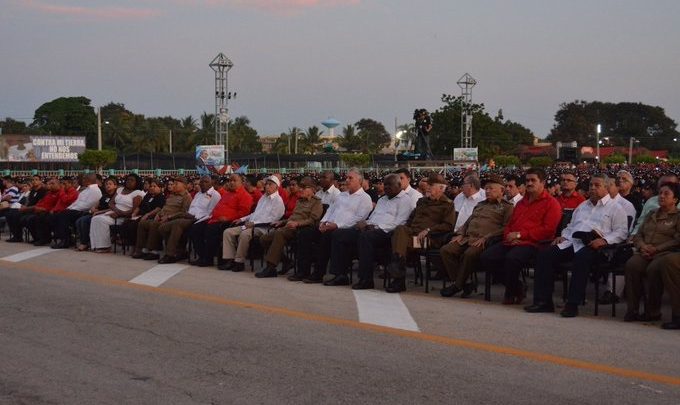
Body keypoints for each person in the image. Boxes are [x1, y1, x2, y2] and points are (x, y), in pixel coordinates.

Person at [525, 174, 628, 317]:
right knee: (545, 255)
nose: (592, 188)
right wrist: (563, 236)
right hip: (573, 242)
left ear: (606, 187)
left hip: (597, 247)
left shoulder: (615, 208)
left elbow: (621, 232)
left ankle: (572, 304)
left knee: (581, 259)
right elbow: (570, 226)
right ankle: (543, 302)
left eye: (597, 185)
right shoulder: (582, 206)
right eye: (591, 185)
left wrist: (605, 240)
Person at [480, 168, 562, 305]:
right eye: (527, 180)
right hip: (512, 241)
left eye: (533, 180)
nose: (529, 183)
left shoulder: (551, 203)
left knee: (512, 259)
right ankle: (517, 287)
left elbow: (548, 230)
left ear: (543, 182)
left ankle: (511, 293)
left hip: (534, 243)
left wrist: (520, 235)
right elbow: (510, 224)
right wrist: (509, 236)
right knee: (486, 257)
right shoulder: (521, 203)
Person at [440, 174, 514, 297]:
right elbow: (469, 221)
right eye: (486, 189)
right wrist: (460, 233)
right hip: (468, 237)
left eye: (491, 188)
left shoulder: (507, 207)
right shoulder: (481, 204)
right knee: (446, 250)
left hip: (484, 240)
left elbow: (506, 228)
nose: (488, 191)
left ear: (501, 190)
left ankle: (457, 285)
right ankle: (465, 283)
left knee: (469, 254)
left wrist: (487, 237)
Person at [297, 169, 373, 285]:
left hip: (348, 230)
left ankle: (336, 274)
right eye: (347, 178)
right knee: (305, 233)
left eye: (350, 178)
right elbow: (330, 210)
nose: (347, 180)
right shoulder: (341, 195)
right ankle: (303, 270)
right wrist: (323, 222)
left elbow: (359, 219)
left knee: (330, 235)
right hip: (330, 226)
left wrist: (337, 225)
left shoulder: (365, 198)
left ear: (359, 180)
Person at [386, 174, 457, 293]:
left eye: (431, 185)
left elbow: (448, 225)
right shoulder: (422, 201)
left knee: (399, 242)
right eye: (428, 185)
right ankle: (398, 274)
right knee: (400, 230)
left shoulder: (448, 204)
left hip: (428, 240)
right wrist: (406, 229)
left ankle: (398, 279)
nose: (427, 187)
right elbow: (410, 219)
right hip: (412, 235)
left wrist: (429, 230)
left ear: (441, 188)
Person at [623, 183, 680, 322]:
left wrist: (657, 249)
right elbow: (638, 234)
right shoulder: (651, 214)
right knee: (632, 265)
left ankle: (653, 311)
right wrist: (643, 246)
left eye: (666, 194)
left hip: (665, 253)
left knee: (654, 268)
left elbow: (677, 240)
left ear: (675, 200)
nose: (661, 196)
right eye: (660, 193)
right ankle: (633, 309)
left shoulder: (677, 217)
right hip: (646, 251)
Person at [349, 174, 414, 289]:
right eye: (385, 185)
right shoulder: (382, 199)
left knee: (365, 237)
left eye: (390, 185)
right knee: (343, 234)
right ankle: (339, 273)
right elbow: (373, 217)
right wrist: (366, 223)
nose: (386, 187)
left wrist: (376, 227)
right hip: (374, 230)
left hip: (389, 232)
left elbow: (400, 223)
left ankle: (366, 279)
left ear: (399, 185)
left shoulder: (405, 200)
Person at [256, 177, 323, 279]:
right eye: (301, 187)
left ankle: (271, 268)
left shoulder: (316, 202)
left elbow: (313, 220)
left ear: (313, 189)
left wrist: (297, 223)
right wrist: (282, 221)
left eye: (304, 187)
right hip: (289, 226)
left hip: (302, 229)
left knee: (279, 234)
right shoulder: (300, 201)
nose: (301, 189)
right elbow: (293, 217)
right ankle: (286, 261)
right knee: (264, 239)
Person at [219, 176, 285, 272]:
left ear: (276, 187)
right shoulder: (263, 197)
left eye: (270, 184)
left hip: (263, 228)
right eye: (266, 184)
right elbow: (255, 213)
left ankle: (239, 262)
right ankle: (230, 260)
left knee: (244, 234)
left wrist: (254, 223)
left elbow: (272, 219)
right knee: (227, 232)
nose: (267, 186)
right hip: (250, 225)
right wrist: (241, 219)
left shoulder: (278, 201)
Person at [189, 173, 252, 267]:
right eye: (230, 180)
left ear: (242, 182)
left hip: (228, 222)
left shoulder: (245, 196)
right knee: (195, 228)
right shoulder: (227, 194)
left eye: (234, 181)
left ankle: (208, 259)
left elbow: (243, 213)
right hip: (213, 219)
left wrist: (228, 218)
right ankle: (202, 256)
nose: (231, 183)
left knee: (210, 230)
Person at [156, 176, 221, 264]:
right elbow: (192, 207)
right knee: (163, 227)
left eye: (205, 182)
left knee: (177, 224)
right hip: (188, 215)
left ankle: (170, 254)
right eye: (201, 182)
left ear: (211, 183)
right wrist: (187, 214)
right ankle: (179, 250)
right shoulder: (198, 194)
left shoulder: (215, 195)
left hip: (199, 219)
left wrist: (195, 217)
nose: (203, 184)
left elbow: (211, 213)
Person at [132, 177, 192, 261]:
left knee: (154, 224)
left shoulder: (186, 197)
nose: (173, 186)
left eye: (176, 184)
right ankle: (140, 249)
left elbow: (183, 212)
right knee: (142, 223)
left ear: (184, 186)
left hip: (171, 219)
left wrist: (168, 217)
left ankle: (154, 251)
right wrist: (159, 214)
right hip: (162, 216)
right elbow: (165, 207)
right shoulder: (171, 195)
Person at [89, 174, 144, 253]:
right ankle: (95, 245)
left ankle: (105, 246)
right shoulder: (120, 189)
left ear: (137, 182)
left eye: (132, 180)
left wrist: (119, 214)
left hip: (124, 216)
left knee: (100, 220)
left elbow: (133, 210)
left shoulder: (138, 193)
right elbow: (111, 203)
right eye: (128, 179)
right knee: (95, 219)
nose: (129, 181)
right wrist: (116, 210)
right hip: (114, 212)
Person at [51, 173, 102, 249]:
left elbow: (88, 205)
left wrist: (72, 209)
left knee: (63, 215)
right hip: (76, 210)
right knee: (59, 214)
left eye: (84, 179)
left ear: (88, 180)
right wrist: (69, 208)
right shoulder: (86, 190)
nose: (82, 180)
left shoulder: (95, 191)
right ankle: (64, 238)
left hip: (83, 211)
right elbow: (76, 202)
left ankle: (65, 241)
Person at [119, 178, 166, 247]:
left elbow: (158, 209)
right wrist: (134, 213)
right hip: (141, 214)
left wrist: (147, 215)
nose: (152, 188)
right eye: (151, 186)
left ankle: (137, 246)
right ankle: (127, 242)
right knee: (126, 223)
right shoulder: (148, 196)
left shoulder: (161, 197)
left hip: (151, 216)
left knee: (134, 225)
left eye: (154, 186)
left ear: (160, 188)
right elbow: (139, 207)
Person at [75, 177, 117, 251]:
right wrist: (93, 208)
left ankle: (85, 243)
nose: (108, 186)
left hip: (104, 214)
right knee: (79, 221)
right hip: (97, 213)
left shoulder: (116, 196)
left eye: (110, 184)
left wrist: (99, 212)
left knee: (85, 221)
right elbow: (97, 203)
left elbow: (113, 208)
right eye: (106, 184)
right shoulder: (104, 195)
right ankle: (85, 242)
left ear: (115, 186)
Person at [5, 176, 47, 242]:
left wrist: (26, 208)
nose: (34, 181)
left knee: (19, 216)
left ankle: (36, 238)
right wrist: (24, 207)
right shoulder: (32, 191)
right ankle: (17, 236)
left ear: (40, 181)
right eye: (33, 180)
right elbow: (29, 202)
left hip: (35, 210)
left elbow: (39, 204)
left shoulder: (43, 191)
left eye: (36, 180)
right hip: (28, 208)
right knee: (10, 214)